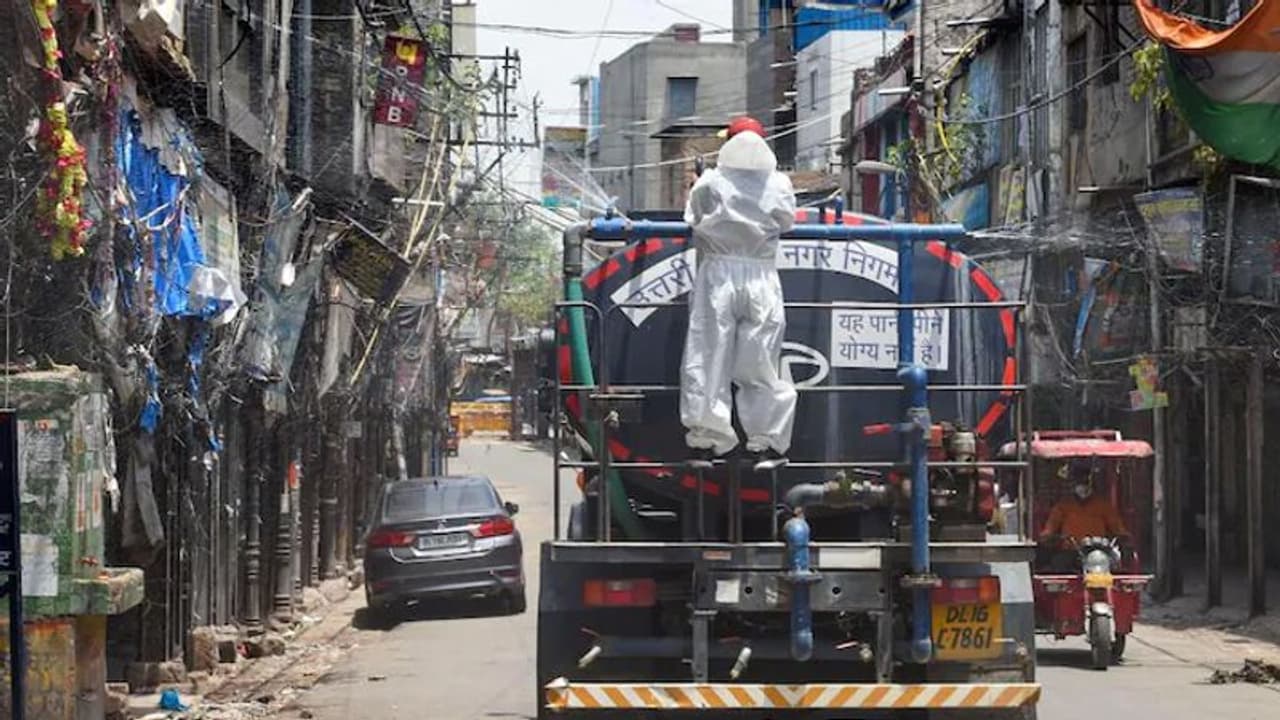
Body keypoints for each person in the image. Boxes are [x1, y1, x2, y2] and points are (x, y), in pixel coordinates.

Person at [680, 116, 798, 463]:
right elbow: (787, 221)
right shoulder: (779, 183)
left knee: (707, 355)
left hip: (718, 272)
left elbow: (694, 219)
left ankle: (708, 434)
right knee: (761, 360)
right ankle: (765, 439)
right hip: (761, 274)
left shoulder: (710, 182)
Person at [1039, 460, 1129, 544]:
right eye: (1080, 483)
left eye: (1087, 483)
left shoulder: (1104, 506)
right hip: (1071, 550)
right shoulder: (1062, 506)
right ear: (1073, 485)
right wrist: (1048, 536)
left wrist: (1123, 536)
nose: (1084, 487)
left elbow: (1117, 528)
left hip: (1098, 550)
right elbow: (1050, 529)